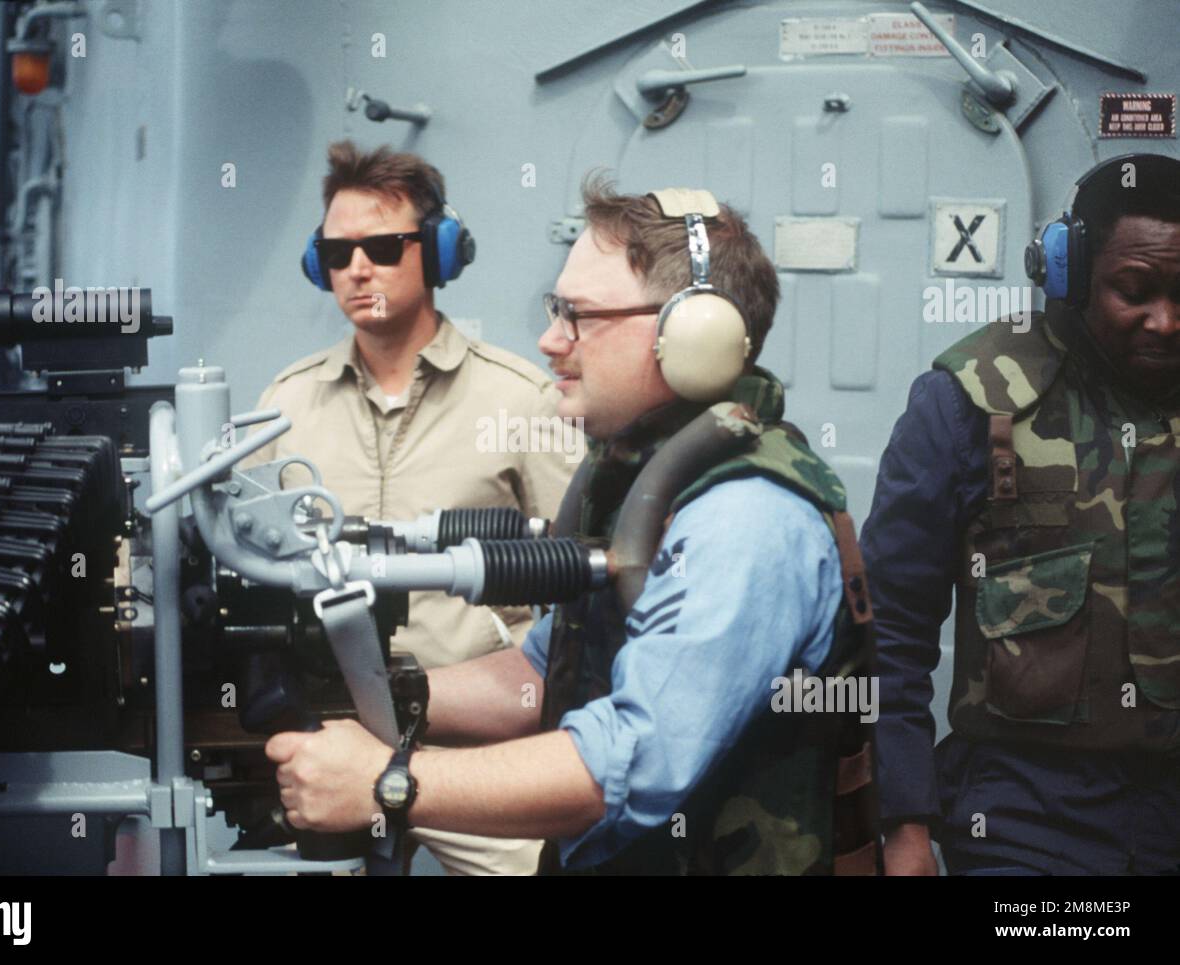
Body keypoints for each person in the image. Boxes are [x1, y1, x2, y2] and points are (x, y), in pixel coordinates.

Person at [265, 176, 880, 875]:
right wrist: (383, 694)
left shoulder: (746, 518)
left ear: (688, 334)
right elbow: (542, 676)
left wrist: (387, 780)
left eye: (576, 315)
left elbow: (629, 760)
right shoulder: (637, 482)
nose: (550, 339)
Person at [244, 140, 577, 875]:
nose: (358, 268)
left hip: (485, 758)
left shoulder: (522, 399)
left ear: (439, 251)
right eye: (338, 252)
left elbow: (583, 577)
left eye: (385, 246)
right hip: (328, 748)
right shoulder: (283, 407)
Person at [866, 153, 1180, 875]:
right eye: (1135, 291)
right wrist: (904, 822)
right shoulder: (967, 403)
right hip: (1026, 823)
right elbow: (891, 630)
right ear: (1067, 274)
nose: (1165, 322)